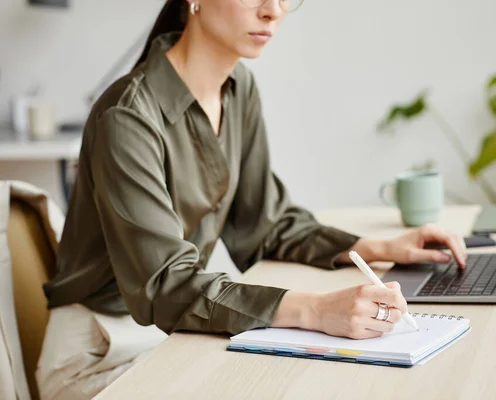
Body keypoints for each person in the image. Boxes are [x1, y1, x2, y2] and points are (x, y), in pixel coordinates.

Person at [35, 0, 467, 398]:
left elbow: (265, 224)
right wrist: (315, 310)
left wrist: (376, 248)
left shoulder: (238, 88)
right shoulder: (127, 117)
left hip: (170, 337)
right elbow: (166, 286)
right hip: (99, 355)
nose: (273, 11)